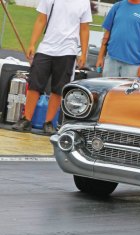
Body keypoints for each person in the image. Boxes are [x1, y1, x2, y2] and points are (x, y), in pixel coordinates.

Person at [12, 0, 92, 135]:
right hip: (45, 48)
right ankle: (26, 119)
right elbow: (41, 20)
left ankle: (49, 122)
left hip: (68, 50)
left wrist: (83, 53)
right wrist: (32, 44)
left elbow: (84, 28)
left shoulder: (84, 2)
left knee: (58, 88)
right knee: (34, 84)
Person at [96, 0, 140, 78]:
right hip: (111, 60)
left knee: (128, 90)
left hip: (134, 65)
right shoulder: (117, 6)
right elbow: (106, 34)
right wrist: (100, 57)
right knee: (109, 89)